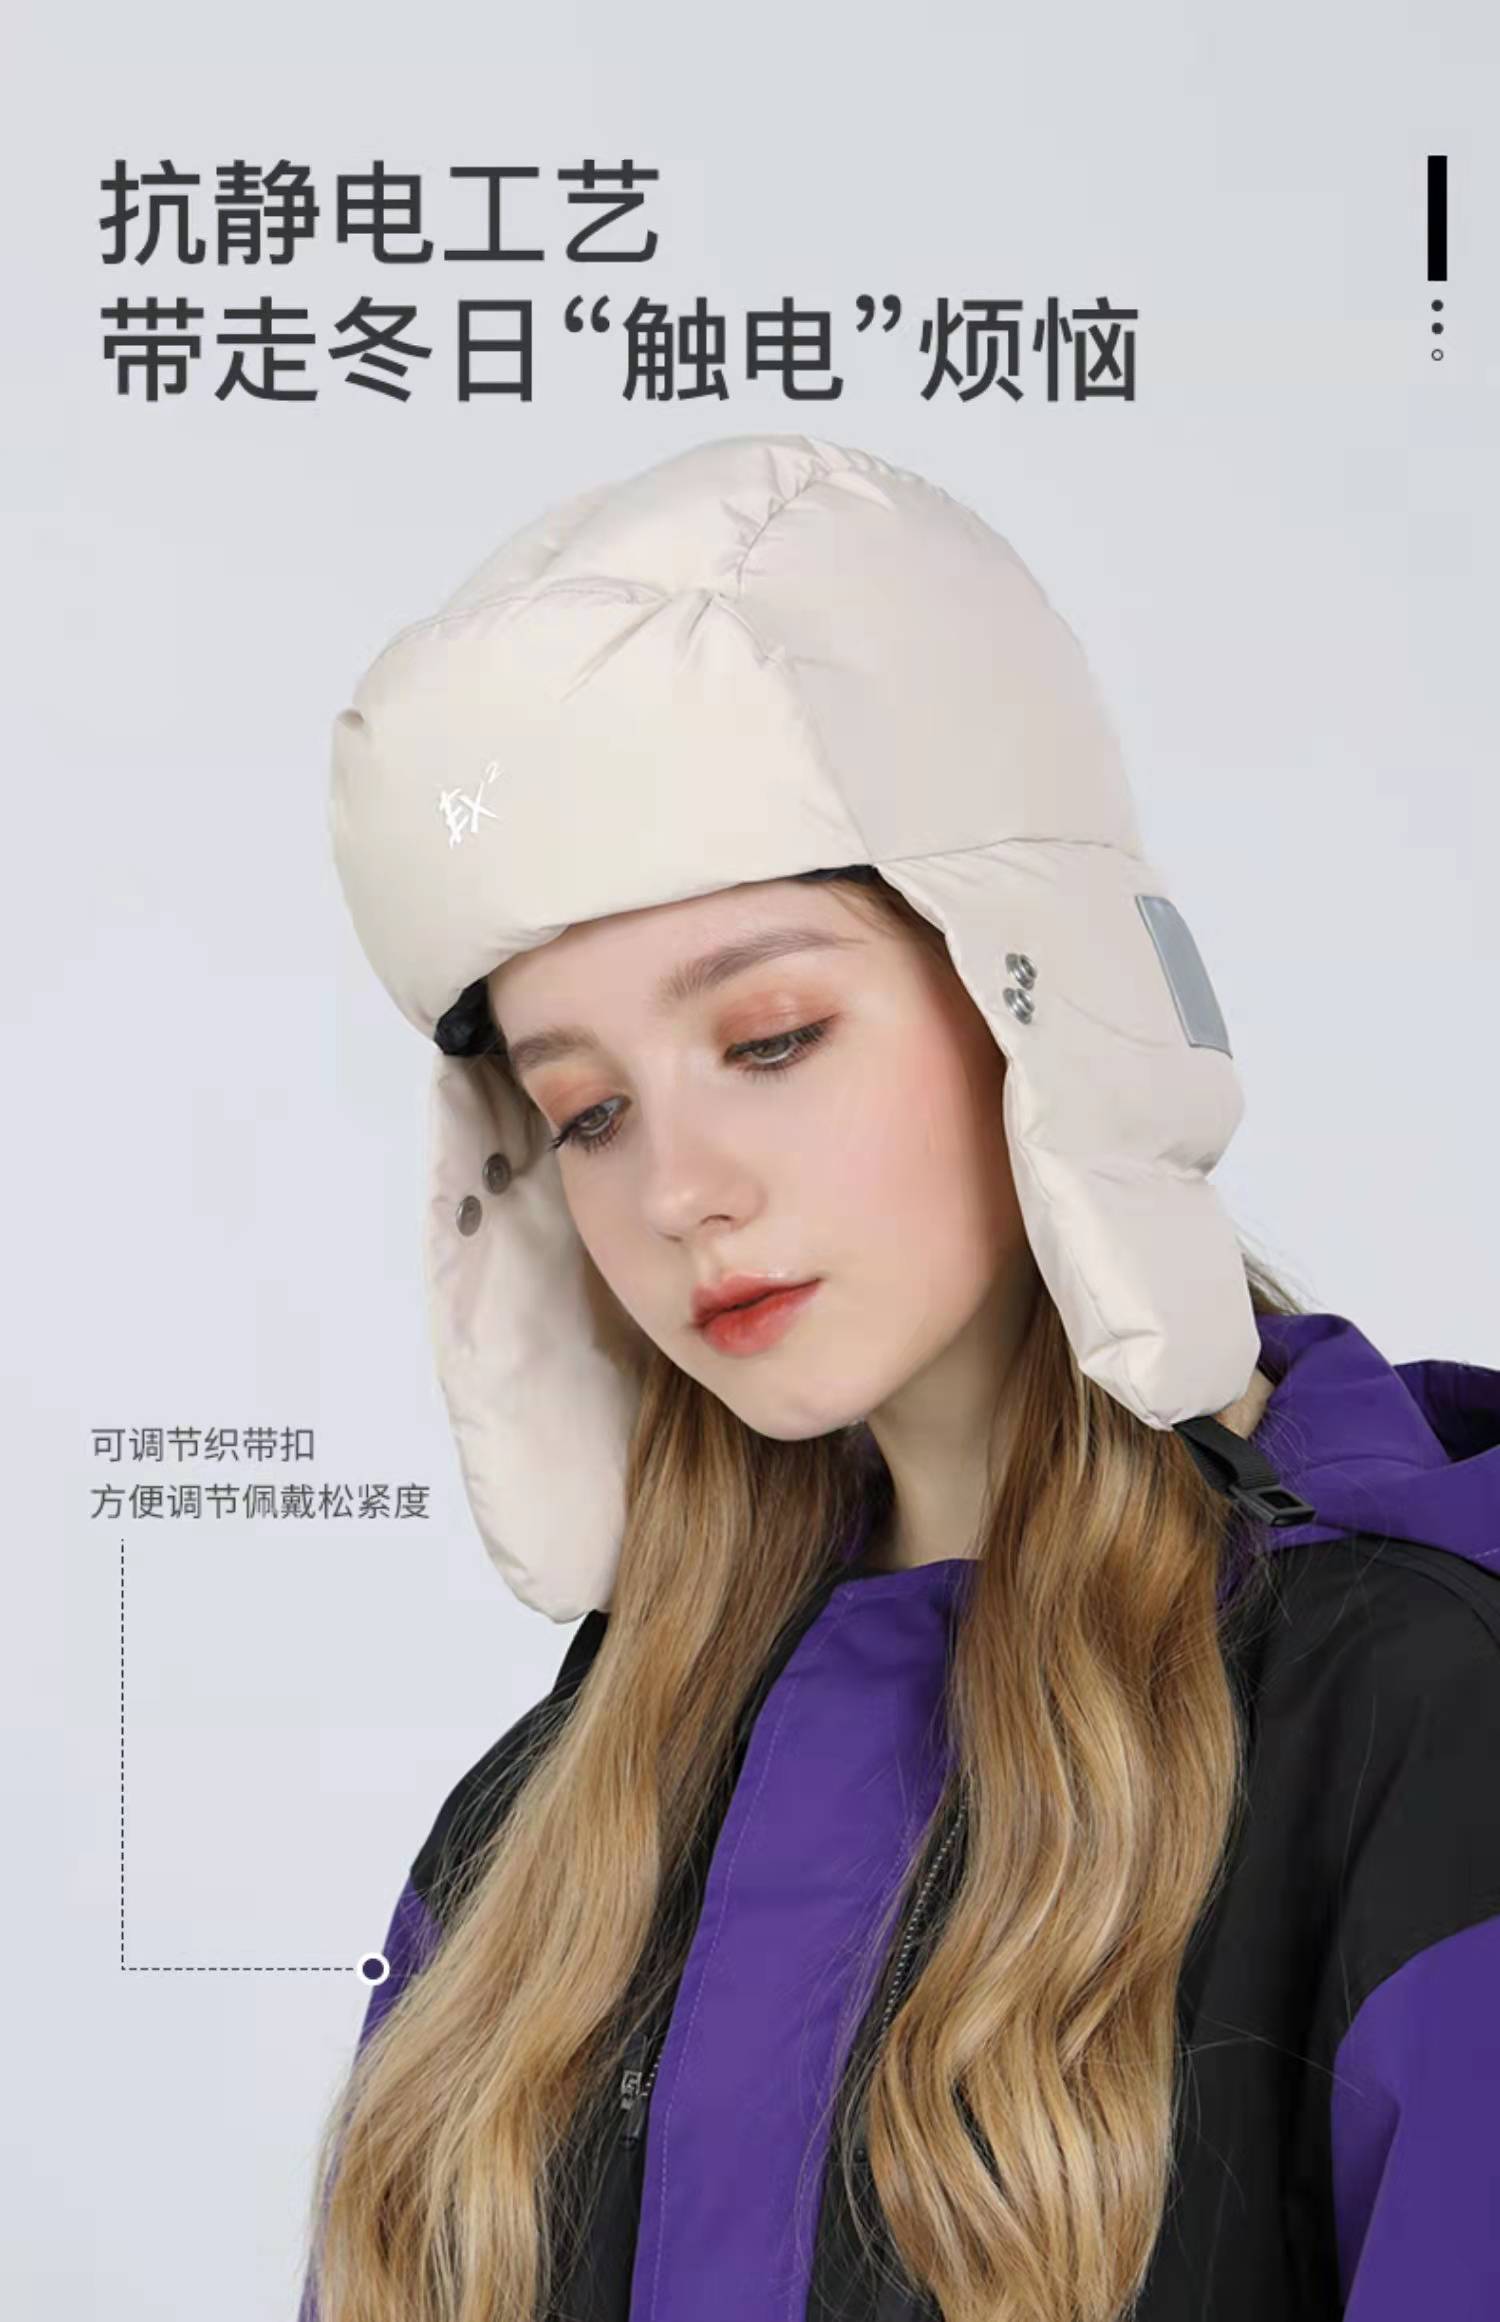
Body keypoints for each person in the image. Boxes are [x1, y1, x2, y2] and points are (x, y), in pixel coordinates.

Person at [299, 434, 1500, 2322]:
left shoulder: (1419, 1723)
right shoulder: (539, 1847)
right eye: (588, 1110)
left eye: (771, 1036)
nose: (678, 1189)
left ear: (1034, 983)